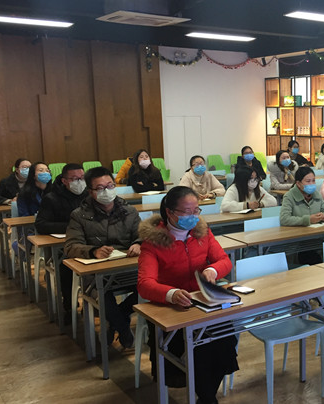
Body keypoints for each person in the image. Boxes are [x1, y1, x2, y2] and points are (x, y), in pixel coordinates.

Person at [138, 186, 238, 403]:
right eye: (186, 212)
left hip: (204, 301)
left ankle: (206, 397)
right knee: (200, 351)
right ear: (170, 212)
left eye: (196, 211)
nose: (193, 217)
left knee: (225, 342)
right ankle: (208, 398)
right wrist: (171, 293)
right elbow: (145, 284)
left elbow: (224, 260)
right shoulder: (153, 243)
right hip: (173, 310)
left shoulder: (202, 233)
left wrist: (212, 270)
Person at [64, 166, 141, 348]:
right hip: (96, 272)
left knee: (149, 286)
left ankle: (119, 317)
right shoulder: (79, 215)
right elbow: (71, 246)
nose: (107, 191)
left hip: (126, 267)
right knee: (103, 294)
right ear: (90, 191)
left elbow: (143, 234)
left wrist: (139, 243)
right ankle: (123, 327)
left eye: (110, 186)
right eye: (100, 188)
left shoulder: (129, 211)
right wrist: (93, 251)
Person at [35, 163, 88, 321]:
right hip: (64, 246)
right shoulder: (51, 198)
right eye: (75, 179)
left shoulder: (89, 194)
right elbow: (41, 224)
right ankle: (69, 305)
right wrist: (72, 227)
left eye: (82, 178)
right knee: (66, 267)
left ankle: (92, 303)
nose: (79, 182)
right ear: (64, 181)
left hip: (88, 241)